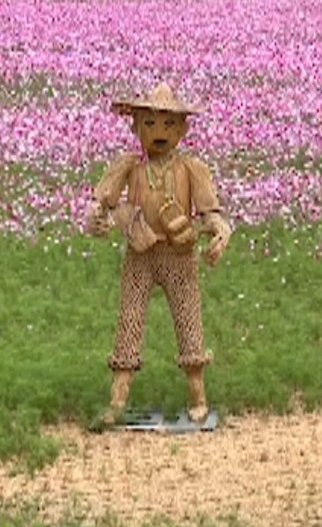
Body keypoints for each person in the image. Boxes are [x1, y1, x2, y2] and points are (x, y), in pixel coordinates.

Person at [86, 82, 232, 424]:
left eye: (169, 124)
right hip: (141, 256)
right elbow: (100, 204)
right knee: (130, 320)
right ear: (136, 127)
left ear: (182, 130)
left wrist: (220, 231)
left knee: (188, 319)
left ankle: (198, 397)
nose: (159, 132)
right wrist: (98, 217)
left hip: (179, 256)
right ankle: (117, 400)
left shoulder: (191, 169)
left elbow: (210, 212)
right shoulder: (129, 167)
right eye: (149, 124)